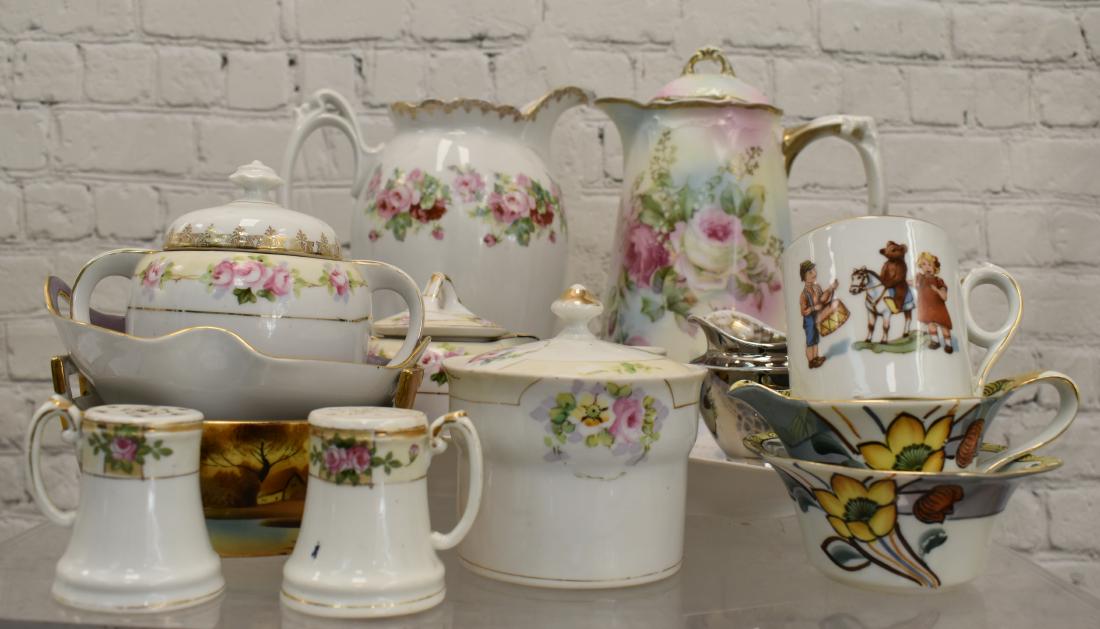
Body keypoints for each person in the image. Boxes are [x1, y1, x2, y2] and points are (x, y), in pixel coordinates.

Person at [799, 261, 841, 368]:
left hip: (816, 318)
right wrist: (813, 308)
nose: (814, 274)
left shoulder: (817, 288)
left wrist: (831, 289)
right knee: (810, 341)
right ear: (804, 276)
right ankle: (811, 361)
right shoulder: (804, 294)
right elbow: (803, 311)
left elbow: (822, 299)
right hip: (809, 320)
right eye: (810, 272)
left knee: (816, 340)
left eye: (814, 270)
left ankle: (816, 357)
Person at [915, 252, 953, 353]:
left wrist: (937, 290)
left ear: (935, 267)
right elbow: (913, 284)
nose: (927, 267)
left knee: (944, 326)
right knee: (930, 324)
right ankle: (935, 341)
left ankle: (948, 344)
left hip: (938, 308)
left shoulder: (938, 280)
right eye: (924, 264)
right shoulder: (921, 279)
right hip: (927, 307)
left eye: (930, 264)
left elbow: (944, 297)